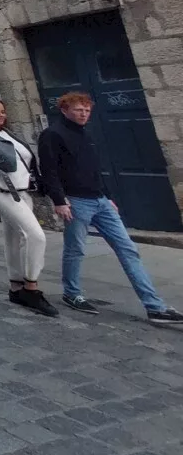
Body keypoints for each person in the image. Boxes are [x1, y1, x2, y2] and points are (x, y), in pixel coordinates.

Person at [40, 92, 183, 324]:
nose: (84, 114)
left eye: (87, 110)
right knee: (75, 249)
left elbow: (94, 167)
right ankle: (72, 293)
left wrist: (107, 196)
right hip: (76, 201)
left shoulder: (84, 133)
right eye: (79, 110)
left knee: (127, 249)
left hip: (100, 201)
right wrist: (59, 201)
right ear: (65, 110)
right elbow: (49, 170)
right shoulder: (52, 134)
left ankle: (154, 306)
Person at [0, 98, 57, 317]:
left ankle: (16, 286)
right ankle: (31, 287)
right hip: (0, 191)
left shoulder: (9, 133)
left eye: (2, 111)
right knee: (36, 235)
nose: (0, 115)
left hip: (23, 190)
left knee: (14, 239)